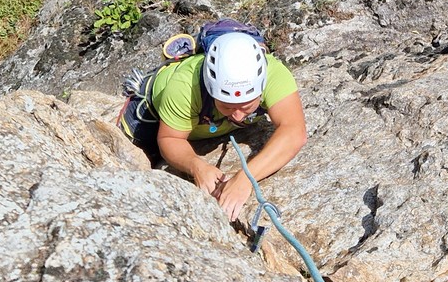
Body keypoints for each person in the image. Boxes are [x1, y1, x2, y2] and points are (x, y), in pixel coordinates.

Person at [118, 31, 307, 222]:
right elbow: (170, 138)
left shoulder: (273, 73)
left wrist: (245, 179)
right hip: (152, 112)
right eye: (227, 106)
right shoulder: (185, 87)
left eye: (246, 105)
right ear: (210, 88)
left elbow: (294, 131)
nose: (237, 115)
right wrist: (196, 166)